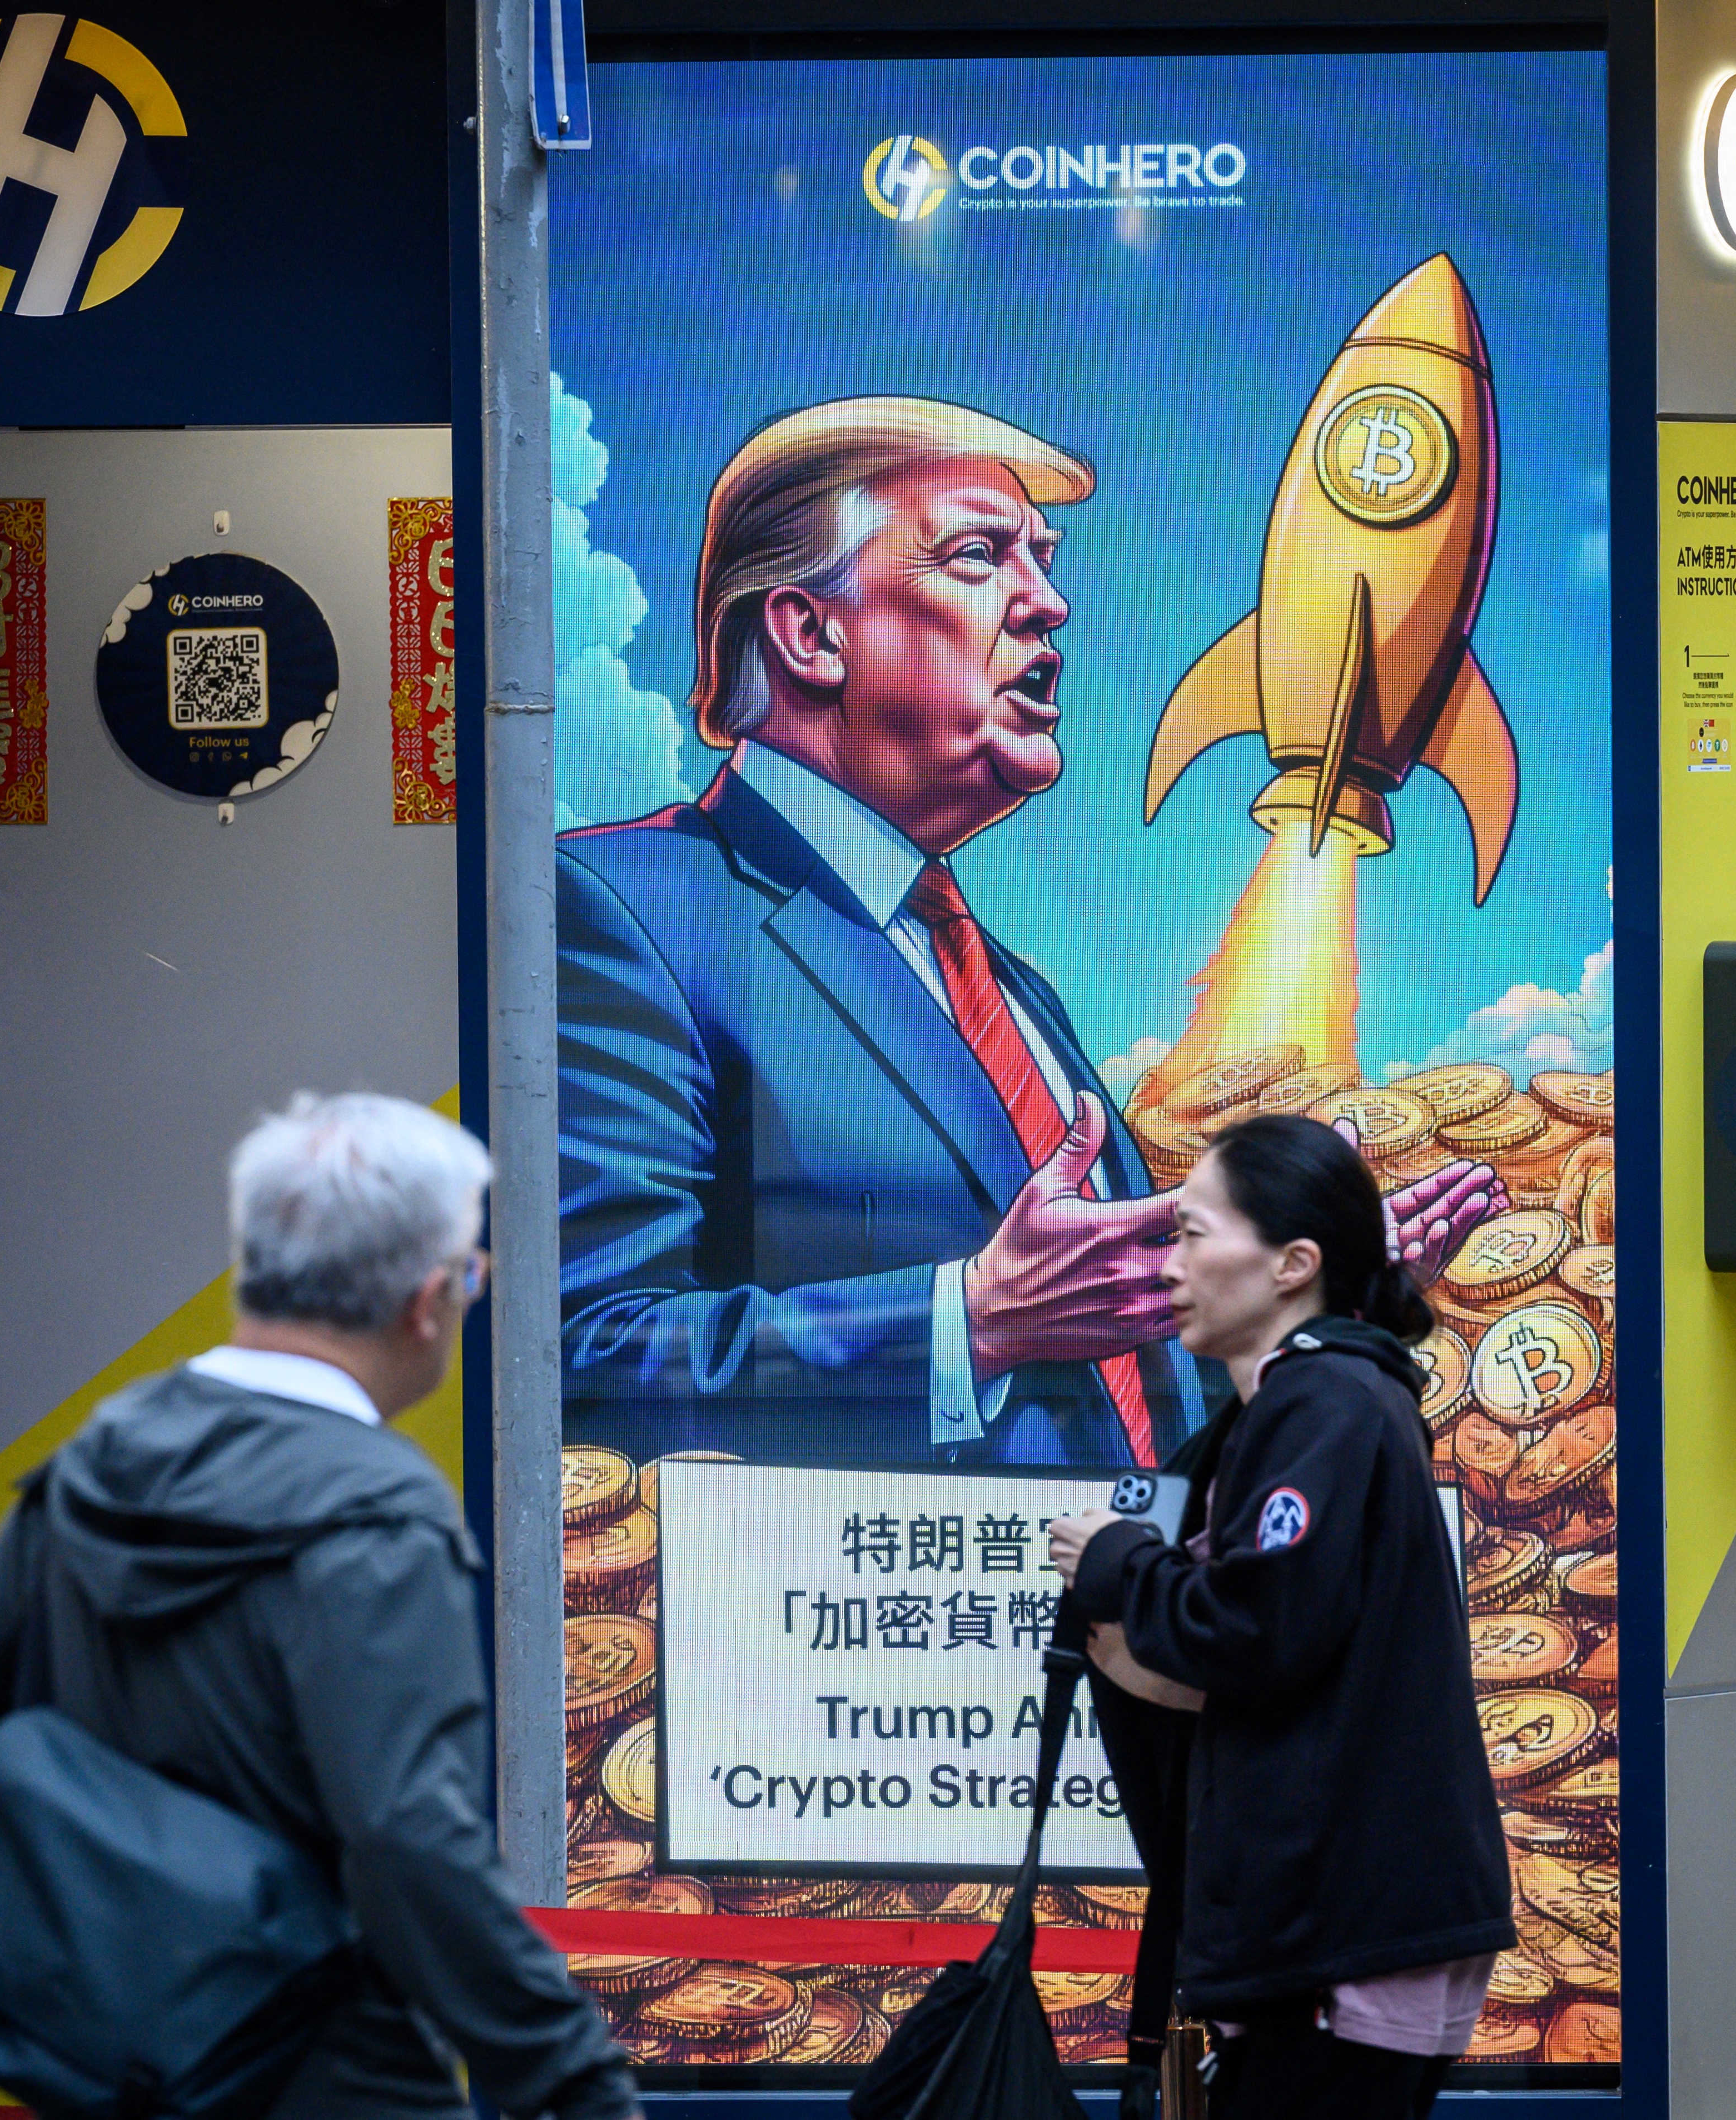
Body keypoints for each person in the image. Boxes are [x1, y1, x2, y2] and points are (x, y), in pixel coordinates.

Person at [556, 394, 1500, 1471]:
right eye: (978, 556)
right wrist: (970, 1321)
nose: (1047, 603)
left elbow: (1130, 1384)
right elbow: (587, 1356)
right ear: (811, 632)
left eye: (1043, 562)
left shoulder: (1013, 996)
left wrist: (1309, 1300)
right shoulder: (631, 911)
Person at [0, 1093, 639, 2120]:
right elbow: (409, 1837)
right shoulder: (379, 1513)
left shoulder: (97, 1460)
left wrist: (132, 1888)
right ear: (426, 1300)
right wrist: (575, 2081)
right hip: (318, 2061)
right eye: (471, 1273)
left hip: (100, 2055)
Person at [1050, 1113, 1514, 2120]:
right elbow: (1247, 1653)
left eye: (1193, 1232)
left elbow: (1257, 1630)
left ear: (1291, 1263)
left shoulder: (1324, 1401)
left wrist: (1117, 1563)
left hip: (1338, 1942)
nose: (1167, 1260)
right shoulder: (1316, 1400)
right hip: (1337, 1933)